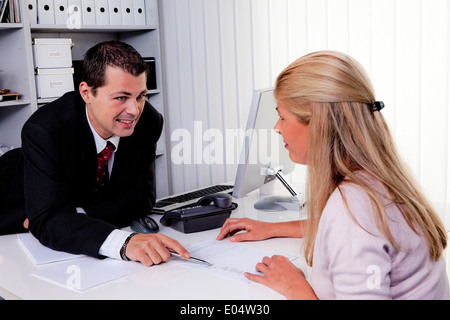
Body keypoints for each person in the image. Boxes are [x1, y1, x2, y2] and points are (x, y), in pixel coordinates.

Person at [217, 51, 449, 300]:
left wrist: (295, 288)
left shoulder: (354, 207)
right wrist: (273, 228)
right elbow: (344, 230)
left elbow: (350, 227)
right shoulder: (373, 184)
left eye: (282, 117)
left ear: (319, 124)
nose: (277, 127)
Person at [0, 40, 190, 266]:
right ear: (86, 93)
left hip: (67, 228)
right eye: (121, 97)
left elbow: (142, 199)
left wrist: (73, 215)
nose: (134, 110)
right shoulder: (46, 129)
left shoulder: (148, 122)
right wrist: (123, 242)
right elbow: (47, 221)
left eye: (140, 96)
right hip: (11, 226)